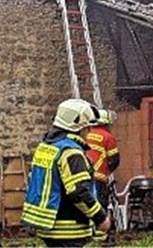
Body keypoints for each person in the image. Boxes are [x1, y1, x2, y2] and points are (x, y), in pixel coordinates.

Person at [23, 99, 111, 247]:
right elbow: (79, 192)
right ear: (78, 128)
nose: (89, 132)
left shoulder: (46, 146)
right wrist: (101, 218)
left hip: (48, 224)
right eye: (87, 127)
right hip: (68, 227)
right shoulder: (71, 152)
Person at [84, 109, 120, 244]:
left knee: (85, 204)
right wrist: (108, 171)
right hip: (99, 177)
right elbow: (114, 159)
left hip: (82, 177)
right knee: (100, 204)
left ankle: (86, 234)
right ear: (105, 123)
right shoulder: (107, 137)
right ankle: (101, 236)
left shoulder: (85, 135)